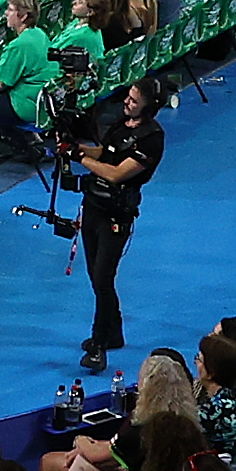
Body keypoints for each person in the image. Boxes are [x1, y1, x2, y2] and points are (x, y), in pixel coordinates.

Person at [71, 92, 163, 360]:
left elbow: (116, 173)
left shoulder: (152, 138)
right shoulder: (121, 123)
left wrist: (82, 160)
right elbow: (105, 152)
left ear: (149, 107)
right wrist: (76, 147)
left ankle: (99, 344)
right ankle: (114, 332)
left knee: (103, 277)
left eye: (135, 100)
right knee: (95, 275)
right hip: (92, 207)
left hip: (116, 215)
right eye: (129, 97)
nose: (127, 102)